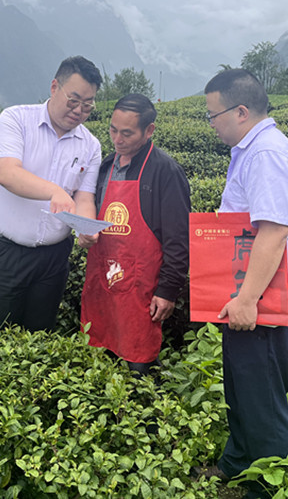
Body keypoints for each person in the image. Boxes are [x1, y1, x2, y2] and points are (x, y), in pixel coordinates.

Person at [199, 68, 288, 496]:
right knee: (243, 388)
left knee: (263, 398)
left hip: (265, 296)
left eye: (213, 115)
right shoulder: (250, 151)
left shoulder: (266, 154)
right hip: (253, 291)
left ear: (241, 111)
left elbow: (273, 232)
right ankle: (237, 464)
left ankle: (266, 487)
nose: (211, 124)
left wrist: (247, 299)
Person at [0, 56, 102, 331]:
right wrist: (54, 191)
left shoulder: (91, 145)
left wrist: (86, 226)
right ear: (54, 87)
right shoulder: (16, 119)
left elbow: (84, 197)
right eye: (74, 100)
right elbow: (7, 173)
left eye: (87, 105)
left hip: (54, 259)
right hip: (5, 252)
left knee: (41, 335)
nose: (79, 110)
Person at [78, 94, 190, 376]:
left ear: (149, 130)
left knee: (138, 367)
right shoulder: (106, 166)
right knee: (98, 360)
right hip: (104, 278)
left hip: (142, 286)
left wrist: (167, 291)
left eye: (126, 133)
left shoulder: (166, 171)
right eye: (113, 130)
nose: (117, 139)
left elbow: (178, 240)